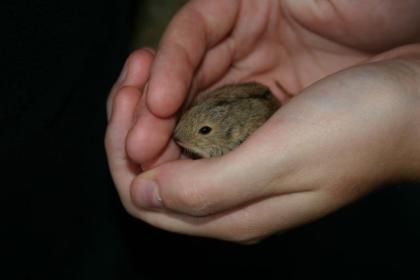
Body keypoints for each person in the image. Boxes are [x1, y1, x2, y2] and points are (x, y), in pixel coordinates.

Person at [106, 0, 420, 274]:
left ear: (233, 135)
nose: (182, 139)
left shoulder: (239, 136)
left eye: (203, 133)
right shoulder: (208, 115)